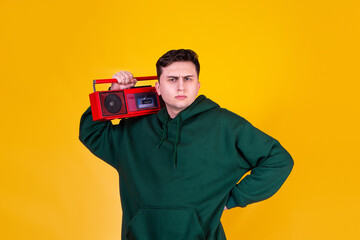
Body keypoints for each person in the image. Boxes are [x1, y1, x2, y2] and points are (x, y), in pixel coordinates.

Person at [79, 49, 294, 240]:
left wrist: (233, 198)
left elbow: (278, 160)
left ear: (198, 85)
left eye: (188, 79)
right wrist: (112, 95)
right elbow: (90, 132)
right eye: (172, 79)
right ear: (158, 87)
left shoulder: (225, 125)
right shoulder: (134, 127)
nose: (181, 86)